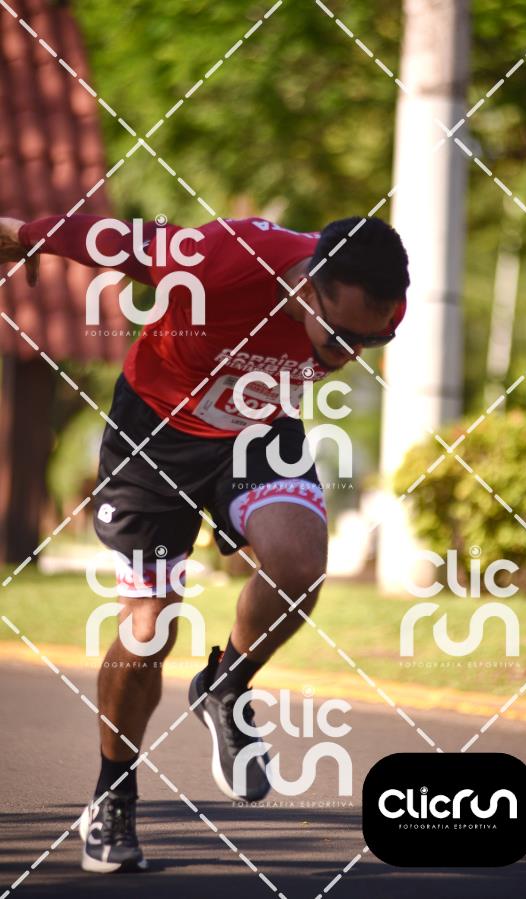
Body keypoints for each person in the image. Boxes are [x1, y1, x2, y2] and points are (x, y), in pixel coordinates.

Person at [0, 213, 409, 872]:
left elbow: (359, 326)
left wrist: (355, 333)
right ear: (307, 286)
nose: (352, 352)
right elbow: (112, 241)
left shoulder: (379, 295)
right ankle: (112, 793)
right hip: (156, 432)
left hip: (257, 429)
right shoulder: (223, 259)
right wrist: (23, 234)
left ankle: (225, 684)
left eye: (374, 339)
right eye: (341, 335)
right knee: (148, 629)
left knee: (300, 566)